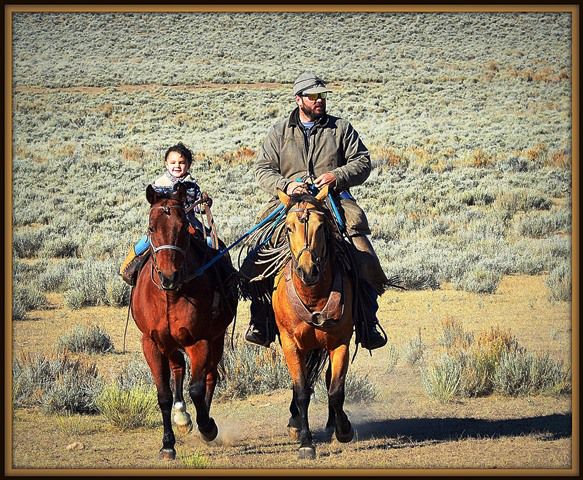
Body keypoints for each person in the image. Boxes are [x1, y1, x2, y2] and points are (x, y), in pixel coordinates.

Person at [242, 72, 390, 350]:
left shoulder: (340, 128)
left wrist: (337, 176)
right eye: (313, 96)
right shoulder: (279, 131)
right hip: (289, 204)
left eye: (322, 95)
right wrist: (285, 184)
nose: (320, 100)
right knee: (256, 258)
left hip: (333, 202)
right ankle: (261, 321)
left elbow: (362, 161)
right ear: (299, 100)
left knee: (364, 256)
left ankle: (368, 322)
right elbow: (262, 169)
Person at [119, 142, 214, 285]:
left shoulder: (192, 186)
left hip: (188, 224)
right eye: (173, 162)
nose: (177, 166)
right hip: (163, 226)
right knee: (144, 244)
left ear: (188, 165)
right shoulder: (160, 184)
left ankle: (222, 276)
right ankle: (126, 268)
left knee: (210, 242)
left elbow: (196, 208)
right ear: (166, 164)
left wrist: (203, 205)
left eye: (182, 162)